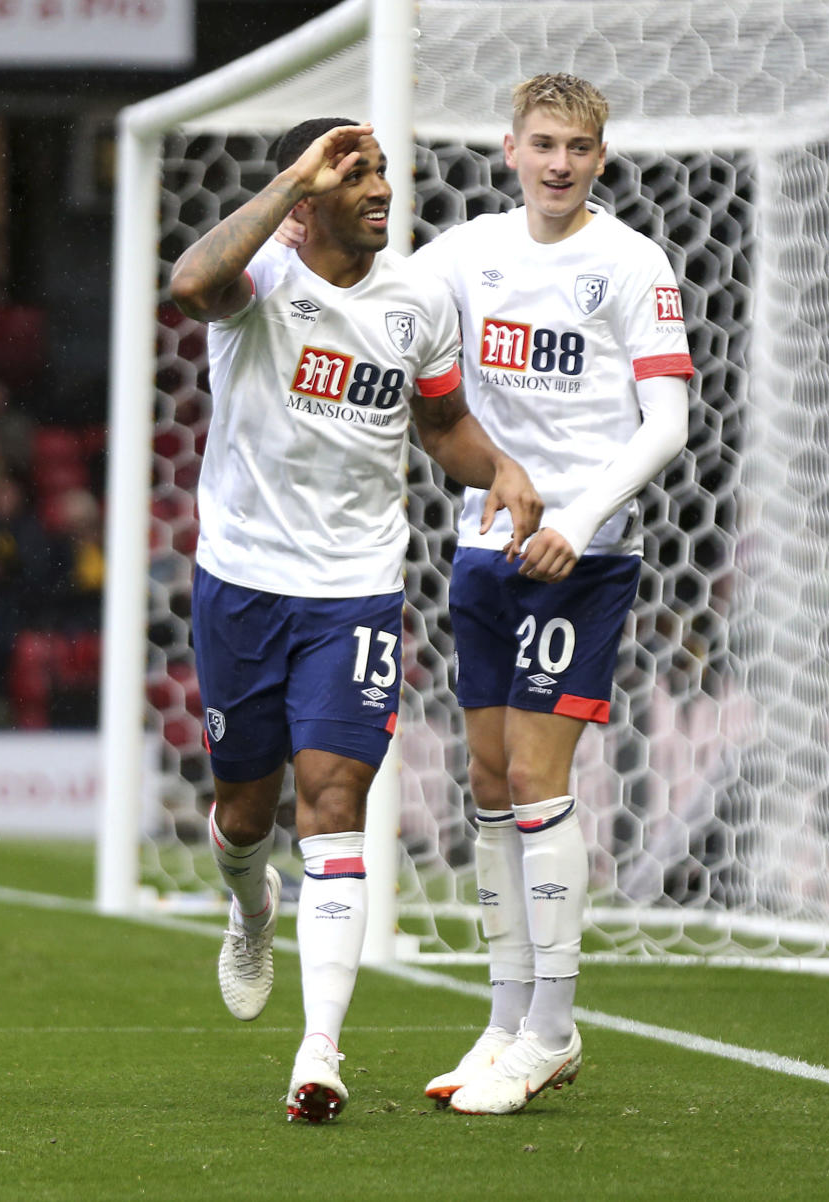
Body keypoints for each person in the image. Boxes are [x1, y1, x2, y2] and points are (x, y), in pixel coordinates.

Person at [279, 76, 694, 1113]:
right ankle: (507, 1016)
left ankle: (553, 1026)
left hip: (584, 553)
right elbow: (368, 304)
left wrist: (579, 518)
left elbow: (668, 420)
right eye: (543, 143)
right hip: (485, 549)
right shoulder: (464, 255)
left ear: (603, 156)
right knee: (490, 779)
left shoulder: (633, 264)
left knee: (538, 773)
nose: (560, 163)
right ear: (509, 149)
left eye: (580, 147)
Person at [169, 118, 542, 1123]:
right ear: (305, 196)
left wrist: (500, 464)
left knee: (333, 798)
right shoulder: (260, 282)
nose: (381, 187)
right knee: (247, 813)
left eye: (381, 169)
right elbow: (188, 286)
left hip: (357, 589)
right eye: (355, 171)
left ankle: (317, 1049)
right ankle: (251, 907)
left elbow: (440, 424)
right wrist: (290, 177)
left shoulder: (417, 299)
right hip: (242, 582)